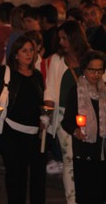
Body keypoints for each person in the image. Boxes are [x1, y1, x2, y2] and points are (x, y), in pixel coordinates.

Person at [0, 35, 46, 204]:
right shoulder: (5, 72)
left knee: (34, 175)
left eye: (31, 50)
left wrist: (43, 117)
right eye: (24, 51)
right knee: (15, 173)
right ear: (15, 54)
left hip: (33, 132)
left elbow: (40, 101)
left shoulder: (37, 75)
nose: (28, 54)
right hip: (9, 131)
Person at [44, 20, 90, 204]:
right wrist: (47, 113)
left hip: (91, 117)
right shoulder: (57, 60)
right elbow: (51, 89)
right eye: (60, 38)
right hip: (65, 117)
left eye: (65, 38)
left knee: (88, 160)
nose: (61, 42)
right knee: (69, 160)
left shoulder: (92, 57)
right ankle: (72, 200)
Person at [62, 50, 106, 204]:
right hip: (84, 151)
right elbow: (66, 121)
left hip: (103, 150)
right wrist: (76, 131)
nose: (96, 74)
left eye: (99, 70)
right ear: (84, 69)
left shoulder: (105, 90)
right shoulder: (76, 91)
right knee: (86, 194)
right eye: (92, 70)